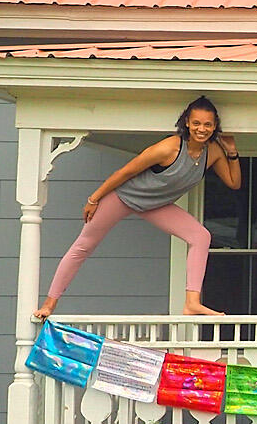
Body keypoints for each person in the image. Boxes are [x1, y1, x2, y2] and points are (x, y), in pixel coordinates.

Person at [34, 96, 240, 320]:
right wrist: (94, 199)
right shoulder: (169, 147)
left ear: (214, 126)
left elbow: (233, 182)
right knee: (84, 245)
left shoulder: (214, 152)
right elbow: (126, 172)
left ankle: (192, 302)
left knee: (201, 236)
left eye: (208, 124)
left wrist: (231, 151)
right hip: (124, 197)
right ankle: (49, 305)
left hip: (156, 205)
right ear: (187, 123)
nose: (202, 129)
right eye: (197, 123)